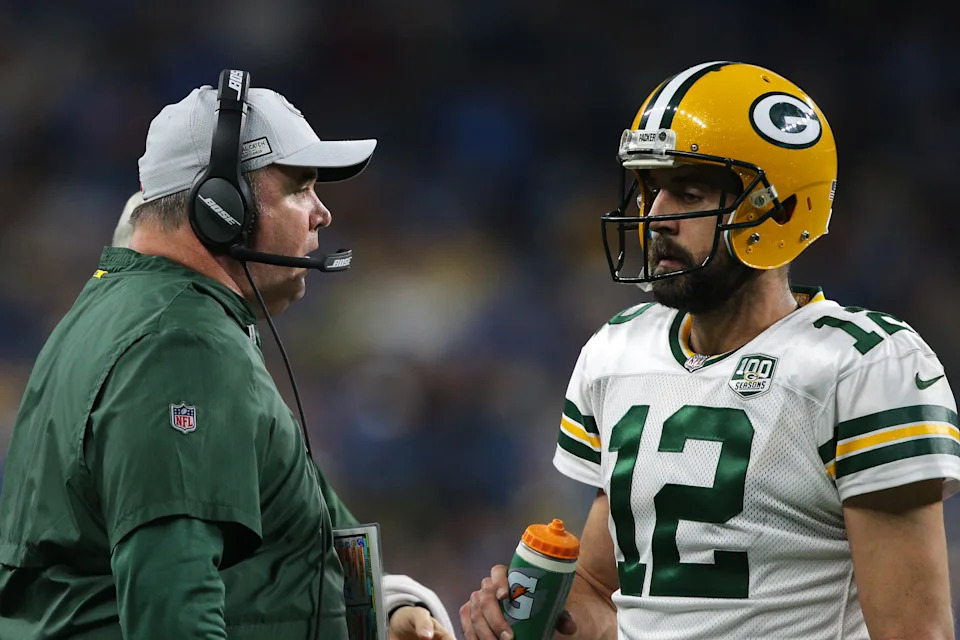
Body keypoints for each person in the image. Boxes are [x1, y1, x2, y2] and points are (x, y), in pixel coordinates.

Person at [461, 61, 959, 640]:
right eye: (651, 189)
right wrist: (538, 616)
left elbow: (913, 632)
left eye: (689, 192)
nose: (655, 217)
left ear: (779, 209)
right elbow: (602, 594)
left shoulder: (866, 366)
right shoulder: (617, 352)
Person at [0, 72, 453, 640]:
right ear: (221, 208)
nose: (322, 213)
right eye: (299, 187)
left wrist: (386, 606)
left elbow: (296, 530)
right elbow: (173, 613)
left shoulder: (142, 312)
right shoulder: (178, 346)